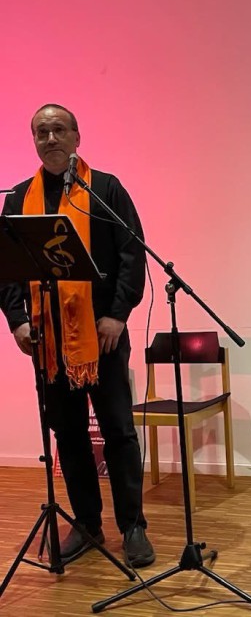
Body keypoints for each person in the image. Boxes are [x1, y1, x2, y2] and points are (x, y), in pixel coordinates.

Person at [0, 103, 155, 567]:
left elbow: (132, 254)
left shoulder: (104, 190)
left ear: (76, 137)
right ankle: (87, 523)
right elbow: (5, 268)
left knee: (118, 431)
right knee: (67, 436)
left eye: (59, 130)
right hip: (47, 342)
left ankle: (133, 526)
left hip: (102, 336)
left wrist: (118, 315)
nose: (50, 138)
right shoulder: (18, 199)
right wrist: (18, 320)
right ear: (34, 140)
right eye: (41, 132)